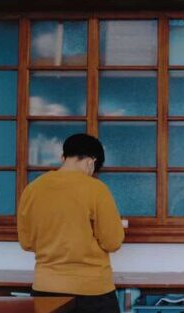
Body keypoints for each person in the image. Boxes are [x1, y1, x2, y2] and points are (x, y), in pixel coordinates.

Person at [18, 133, 124, 313]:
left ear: (63, 157)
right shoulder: (96, 189)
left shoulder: (32, 189)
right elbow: (112, 242)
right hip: (92, 292)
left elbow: (27, 243)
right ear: (91, 162)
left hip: (46, 289)